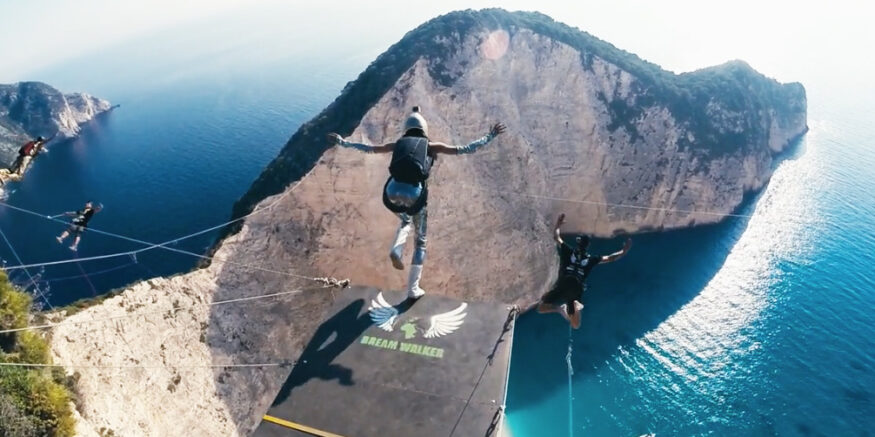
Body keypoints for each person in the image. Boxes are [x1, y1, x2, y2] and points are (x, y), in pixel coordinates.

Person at [328, 106, 506, 299]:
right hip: (414, 194)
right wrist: (490, 136)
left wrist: (343, 142)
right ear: (424, 130)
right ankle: (413, 289)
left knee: (405, 220)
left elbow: (369, 149)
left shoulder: (397, 144)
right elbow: (466, 149)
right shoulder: (431, 146)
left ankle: (396, 249)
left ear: (406, 129)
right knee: (420, 242)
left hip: (391, 192)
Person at [535, 213, 632, 329]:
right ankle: (575, 305)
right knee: (575, 325)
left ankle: (559, 309)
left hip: (563, 283)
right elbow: (610, 258)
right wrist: (623, 251)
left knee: (541, 308)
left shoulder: (568, 251)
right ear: (587, 246)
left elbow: (557, 237)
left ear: (578, 244)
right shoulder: (591, 259)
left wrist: (558, 225)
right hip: (576, 287)